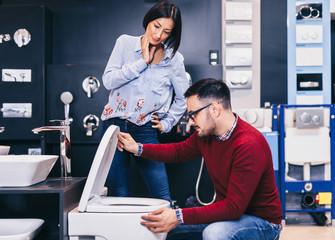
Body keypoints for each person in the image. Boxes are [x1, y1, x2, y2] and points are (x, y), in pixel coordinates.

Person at [116, 78, 283, 240]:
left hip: (263, 223)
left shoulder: (248, 144)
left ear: (215, 109)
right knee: (161, 228)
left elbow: (233, 208)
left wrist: (178, 215)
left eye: (193, 114)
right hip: (229, 215)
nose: (191, 121)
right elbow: (178, 151)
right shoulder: (206, 135)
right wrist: (138, 148)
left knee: (215, 233)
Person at [101, 1, 188, 204]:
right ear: (148, 20)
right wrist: (143, 62)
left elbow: (183, 97)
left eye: (167, 31)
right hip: (114, 127)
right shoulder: (125, 43)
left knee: (162, 196)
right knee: (119, 195)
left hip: (146, 130)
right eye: (156, 26)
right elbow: (108, 80)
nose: (158, 35)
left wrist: (167, 123)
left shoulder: (174, 59)